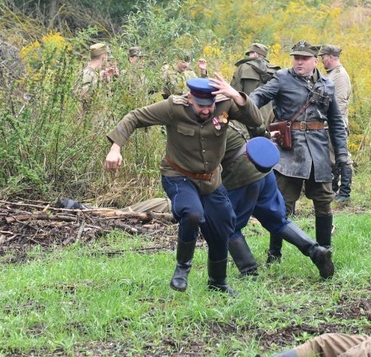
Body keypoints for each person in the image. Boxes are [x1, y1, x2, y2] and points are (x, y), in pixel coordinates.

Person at [104, 76, 263, 294]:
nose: (207, 111)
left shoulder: (225, 104)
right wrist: (115, 148)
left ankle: (218, 282)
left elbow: (256, 121)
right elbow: (134, 117)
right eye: (201, 106)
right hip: (178, 175)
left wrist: (236, 95)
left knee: (222, 225)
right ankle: (182, 268)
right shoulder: (173, 108)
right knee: (193, 213)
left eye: (210, 106)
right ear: (190, 99)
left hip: (211, 180)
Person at [250, 41, 349, 264]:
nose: (299, 62)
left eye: (304, 58)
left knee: (323, 202)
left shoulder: (326, 84)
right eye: (296, 58)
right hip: (288, 151)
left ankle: (324, 253)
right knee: (281, 205)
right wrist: (243, 104)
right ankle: (274, 254)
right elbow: (259, 96)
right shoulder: (282, 79)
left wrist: (342, 153)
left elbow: (335, 122)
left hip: (318, 152)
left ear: (315, 61)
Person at [222, 121, 334, 279]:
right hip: (263, 170)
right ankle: (315, 251)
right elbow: (258, 124)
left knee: (227, 226)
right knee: (278, 221)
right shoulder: (233, 110)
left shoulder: (203, 123)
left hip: (240, 176)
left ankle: (249, 272)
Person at [318, 44, 354, 203]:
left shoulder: (339, 75)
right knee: (331, 158)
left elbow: (339, 102)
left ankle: (344, 192)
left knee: (342, 156)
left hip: (335, 125)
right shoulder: (332, 74)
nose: (322, 60)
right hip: (329, 124)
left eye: (323, 57)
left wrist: (333, 123)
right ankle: (334, 189)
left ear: (331, 57)